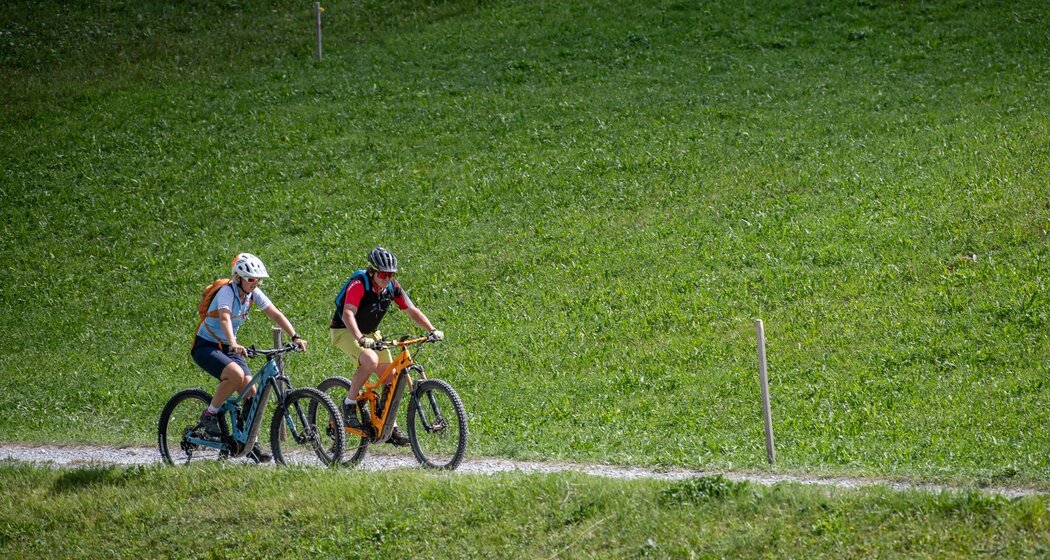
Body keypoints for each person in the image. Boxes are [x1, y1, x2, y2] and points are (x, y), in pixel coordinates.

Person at [190, 253, 308, 463]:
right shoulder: (226, 292)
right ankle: (209, 415)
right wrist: (233, 342)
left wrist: (295, 336)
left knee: (251, 394)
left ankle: (248, 443)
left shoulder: (252, 294)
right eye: (251, 279)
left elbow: (275, 314)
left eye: (258, 280)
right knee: (235, 375)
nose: (255, 283)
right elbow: (225, 318)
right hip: (206, 346)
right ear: (238, 278)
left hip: (229, 347)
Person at [330, 246, 443, 446]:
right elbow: (347, 313)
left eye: (391, 275)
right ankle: (349, 405)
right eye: (383, 274)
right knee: (370, 359)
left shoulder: (392, 287)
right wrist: (360, 338)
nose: (387, 279)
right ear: (372, 271)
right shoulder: (359, 284)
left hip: (371, 333)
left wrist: (432, 329)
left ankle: (390, 428)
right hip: (345, 330)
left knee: (391, 378)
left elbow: (411, 310)